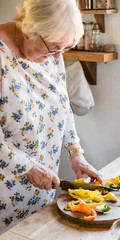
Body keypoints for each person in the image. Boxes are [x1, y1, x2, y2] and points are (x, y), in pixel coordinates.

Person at [0, 0, 103, 235]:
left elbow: (62, 106)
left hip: (42, 185)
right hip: (4, 191)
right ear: (29, 27)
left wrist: (76, 153)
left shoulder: (51, 52)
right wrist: (29, 168)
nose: (57, 56)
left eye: (63, 49)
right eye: (54, 47)